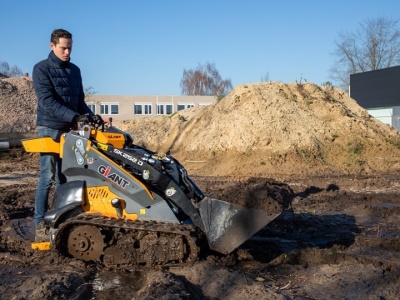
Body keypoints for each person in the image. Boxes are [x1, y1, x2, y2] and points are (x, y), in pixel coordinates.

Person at [32, 28, 96, 242]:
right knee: (47, 177)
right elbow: (47, 102)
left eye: (70, 48)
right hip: (49, 128)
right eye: (63, 48)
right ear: (52, 46)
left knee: (66, 177)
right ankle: (40, 223)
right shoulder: (41, 69)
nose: (67, 52)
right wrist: (75, 117)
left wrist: (91, 117)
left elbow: (79, 101)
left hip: (70, 129)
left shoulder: (75, 70)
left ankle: (61, 220)